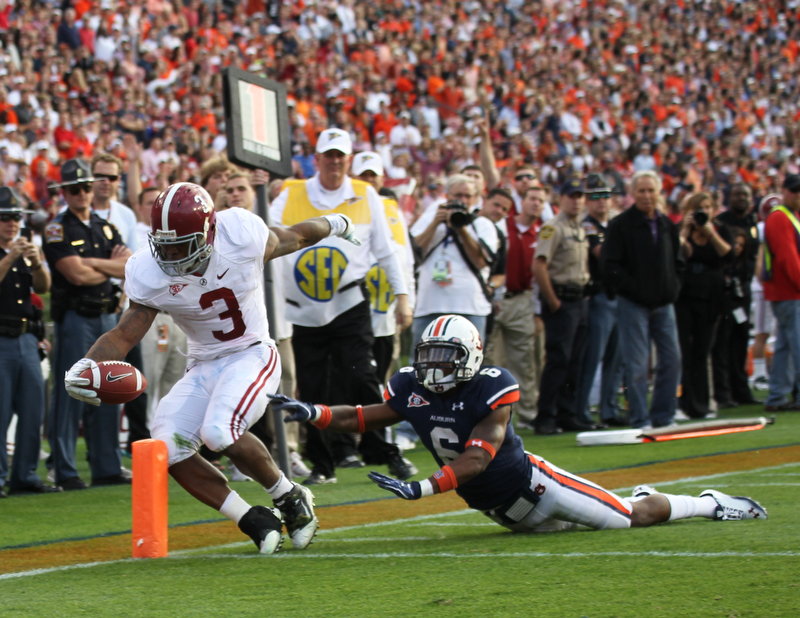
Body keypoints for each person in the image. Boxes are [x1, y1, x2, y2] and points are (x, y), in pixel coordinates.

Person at [63, 181, 359, 554]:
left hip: (252, 353)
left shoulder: (239, 234)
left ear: (209, 232)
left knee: (220, 431)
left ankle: (287, 495)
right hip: (202, 362)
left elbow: (294, 237)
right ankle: (251, 518)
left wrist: (335, 224)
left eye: (180, 243)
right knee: (166, 446)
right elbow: (126, 332)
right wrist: (87, 366)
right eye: (163, 242)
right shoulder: (146, 268)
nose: (169, 253)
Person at [272, 315, 767, 535]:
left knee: (628, 519)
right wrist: (311, 412)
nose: (434, 368)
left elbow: (478, 456)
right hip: (500, 511)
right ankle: (634, 494)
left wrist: (423, 487)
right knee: (577, 532)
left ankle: (706, 505)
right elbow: (362, 417)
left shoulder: (494, 387)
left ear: (472, 359)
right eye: (429, 357)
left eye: (447, 358)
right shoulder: (411, 386)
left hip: (537, 487)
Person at [270, 128, 413, 485]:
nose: (334, 162)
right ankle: (322, 462)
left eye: (340, 156)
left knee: (361, 374)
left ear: (348, 161)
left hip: (349, 300)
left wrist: (403, 296)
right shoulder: (290, 194)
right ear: (315, 159)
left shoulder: (366, 193)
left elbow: (385, 250)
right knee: (312, 384)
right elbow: (266, 238)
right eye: (328, 155)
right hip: (302, 308)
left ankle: (381, 449)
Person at [43, 159, 132, 490]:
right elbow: (75, 274)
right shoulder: (56, 228)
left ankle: (107, 466)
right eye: (73, 189)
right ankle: (65, 469)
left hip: (108, 317)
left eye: (84, 187)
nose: (80, 194)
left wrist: (95, 263)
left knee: (108, 390)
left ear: (92, 187)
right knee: (71, 391)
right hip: (77, 317)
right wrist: (111, 264)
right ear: (64, 192)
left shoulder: (105, 226)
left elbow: (128, 267)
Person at [602, 170, 684, 429]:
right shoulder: (621, 225)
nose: (647, 196)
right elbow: (609, 265)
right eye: (641, 191)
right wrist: (631, 288)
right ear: (632, 194)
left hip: (664, 303)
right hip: (633, 303)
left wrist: (673, 288)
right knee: (637, 364)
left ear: (659, 193)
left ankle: (664, 416)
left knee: (672, 360)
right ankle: (640, 418)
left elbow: (678, 260)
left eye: (651, 190)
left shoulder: (667, 224)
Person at [0, 188, 58, 497]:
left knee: (33, 409)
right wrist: (10, 256)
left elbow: (44, 286)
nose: (11, 224)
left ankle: (24, 474)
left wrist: (35, 262)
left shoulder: (22, 252)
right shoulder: (9, 254)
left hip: (26, 338)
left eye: (15, 218)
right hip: (1, 339)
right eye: (5, 218)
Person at [532, 178, 593, 435]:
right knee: (558, 359)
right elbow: (539, 265)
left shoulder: (579, 227)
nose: (577, 201)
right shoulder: (553, 228)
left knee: (575, 360)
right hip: (562, 300)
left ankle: (566, 413)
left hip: (579, 299)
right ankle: (546, 416)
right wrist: (553, 300)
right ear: (561, 199)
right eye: (572, 196)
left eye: (580, 196)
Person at [410, 173, 498, 346]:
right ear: (447, 195)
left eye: (468, 196)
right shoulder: (431, 217)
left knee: (469, 365)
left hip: (470, 306)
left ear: (476, 198)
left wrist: (462, 229)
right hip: (430, 304)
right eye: (458, 195)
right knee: (421, 363)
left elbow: (481, 262)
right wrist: (435, 223)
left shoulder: (482, 224)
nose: (463, 200)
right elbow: (412, 253)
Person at [484, 186, 541, 427]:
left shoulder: (538, 231)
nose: (536, 203)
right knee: (486, 360)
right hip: (492, 299)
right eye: (532, 198)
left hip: (520, 298)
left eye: (541, 200)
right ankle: (485, 415)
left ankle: (527, 415)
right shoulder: (497, 227)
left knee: (524, 360)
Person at [574, 173, 626, 427]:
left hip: (619, 296)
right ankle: (582, 411)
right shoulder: (588, 226)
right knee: (592, 358)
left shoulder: (614, 224)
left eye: (605, 195)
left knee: (616, 358)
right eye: (595, 197)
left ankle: (609, 409)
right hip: (598, 296)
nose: (601, 202)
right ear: (586, 200)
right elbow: (601, 254)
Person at [675, 192, 733, 418]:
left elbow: (727, 256)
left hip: (711, 299)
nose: (704, 212)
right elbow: (676, 254)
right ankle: (682, 404)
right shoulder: (681, 230)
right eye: (699, 208)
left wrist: (711, 233)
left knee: (702, 351)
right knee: (683, 351)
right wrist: (685, 231)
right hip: (684, 297)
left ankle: (701, 404)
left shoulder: (719, 229)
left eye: (708, 207)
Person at [713, 183, 760, 407]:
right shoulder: (721, 222)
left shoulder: (752, 223)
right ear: (728, 197)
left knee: (741, 340)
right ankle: (723, 392)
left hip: (744, 289)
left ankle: (741, 390)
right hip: (725, 290)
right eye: (737, 194)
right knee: (722, 342)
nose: (742, 198)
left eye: (746, 194)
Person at [762, 175, 800, 411]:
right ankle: (780, 395)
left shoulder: (788, 217)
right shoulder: (780, 218)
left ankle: (777, 396)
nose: (797, 195)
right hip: (790, 292)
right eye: (794, 191)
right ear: (784, 191)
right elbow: (788, 259)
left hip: (788, 292)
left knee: (786, 347)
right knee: (795, 346)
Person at [750, 194, 781, 391]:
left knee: (775, 333)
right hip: (764, 288)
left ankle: (769, 373)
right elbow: (759, 264)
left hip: (775, 287)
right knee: (762, 332)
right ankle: (759, 374)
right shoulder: (762, 229)